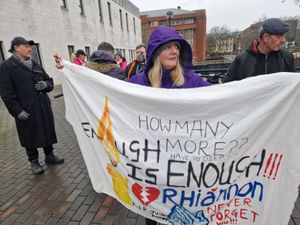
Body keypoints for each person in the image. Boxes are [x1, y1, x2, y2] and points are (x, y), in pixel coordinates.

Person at [127, 26, 211, 225]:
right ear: (156, 52)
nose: (175, 51)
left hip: (181, 164)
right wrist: (73, 73)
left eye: (177, 46)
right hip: (151, 164)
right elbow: (108, 93)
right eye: (168, 47)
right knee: (152, 213)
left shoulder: (192, 81)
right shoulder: (138, 83)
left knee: (179, 212)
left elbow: (223, 98)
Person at [0, 36, 64, 175]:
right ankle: (34, 161)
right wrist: (17, 111)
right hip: (26, 109)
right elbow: (6, 93)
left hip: (42, 105)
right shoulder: (7, 66)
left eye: (30, 47)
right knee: (29, 134)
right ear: (16, 48)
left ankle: (49, 155)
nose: (30, 49)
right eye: (26, 46)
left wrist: (46, 85)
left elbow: (49, 80)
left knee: (46, 130)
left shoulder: (34, 63)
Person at [224, 18, 296, 82]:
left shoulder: (287, 58)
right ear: (266, 37)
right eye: (278, 37)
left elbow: (293, 86)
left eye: (283, 36)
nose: (283, 40)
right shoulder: (241, 59)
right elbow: (228, 87)